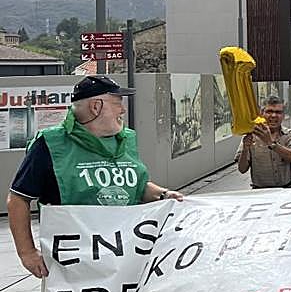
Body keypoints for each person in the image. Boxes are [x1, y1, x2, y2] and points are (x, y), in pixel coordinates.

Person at [8, 75, 184, 278]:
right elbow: (18, 199)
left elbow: (137, 185)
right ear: (95, 107)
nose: (123, 110)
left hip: (127, 258)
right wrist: (27, 252)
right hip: (76, 265)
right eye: (118, 103)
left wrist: (164, 195)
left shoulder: (124, 140)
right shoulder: (50, 145)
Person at [236, 95, 291, 188]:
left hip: (288, 189)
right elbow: (242, 169)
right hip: (260, 192)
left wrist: (271, 143)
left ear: (283, 116)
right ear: (262, 113)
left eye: (278, 112)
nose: (274, 116)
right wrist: (245, 149)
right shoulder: (251, 136)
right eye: (269, 111)